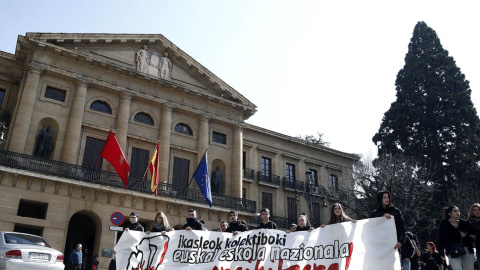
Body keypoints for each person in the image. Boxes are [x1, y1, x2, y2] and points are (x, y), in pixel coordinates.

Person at [438, 205, 475, 270]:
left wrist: (465, 237)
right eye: (455, 211)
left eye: (458, 211)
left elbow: (473, 237)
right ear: (449, 213)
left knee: (469, 268)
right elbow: (441, 239)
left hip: (466, 248)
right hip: (452, 250)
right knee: (457, 268)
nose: (458, 212)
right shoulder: (444, 224)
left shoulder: (464, 223)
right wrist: (441, 253)